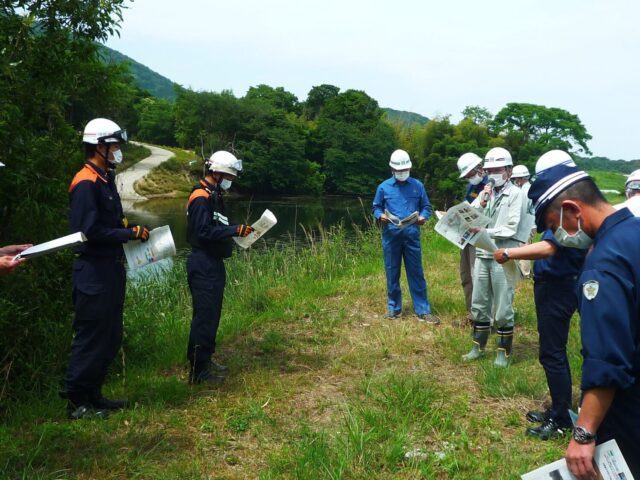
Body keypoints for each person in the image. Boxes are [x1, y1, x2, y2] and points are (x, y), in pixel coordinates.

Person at [528, 162, 640, 478]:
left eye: (554, 224)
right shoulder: (635, 231)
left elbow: (608, 359)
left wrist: (584, 433)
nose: (560, 236)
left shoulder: (603, 264)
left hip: (630, 409)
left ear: (571, 210)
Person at [494, 150, 587, 440]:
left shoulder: (564, 206)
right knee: (552, 352)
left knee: (552, 353)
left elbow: (549, 248)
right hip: (564, 281)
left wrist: (508, 252)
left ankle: (560, 420)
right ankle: (558, 408)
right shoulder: (577, 201)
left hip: (558, 285)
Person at [64, 118, 150, 420]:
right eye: (114, 146)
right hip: (93, 272)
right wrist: (129, 234)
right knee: (91, 336)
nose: (117, 151)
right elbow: (89, 231)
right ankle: (76, 402)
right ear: (99, 146)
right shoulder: (86, 182)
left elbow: (111, 224)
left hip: (111, 269)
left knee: (110, 335)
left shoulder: (104, 178)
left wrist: (131, 231)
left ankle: (94, 394)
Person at [186, 151, 254, 384]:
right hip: (202, 262)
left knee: (212, 314)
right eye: (229, 176)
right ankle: (198, 371)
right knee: (204, 316)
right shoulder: (200, 197)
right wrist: (233, 231)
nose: (231, 180)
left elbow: (218, 226)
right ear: (217, 172)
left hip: (214, 263)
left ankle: (206, 359)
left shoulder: (215, 195)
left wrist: (237, 229)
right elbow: (202, 231)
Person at [463, 147, 529, 367]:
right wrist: (481, 202)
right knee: (479, 303)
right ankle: (478, 347)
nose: (493, 174)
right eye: (490, 169)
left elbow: (511, 228)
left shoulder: (517, 194)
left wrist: (482, 231)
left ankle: (503, 352)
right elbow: (469, 217)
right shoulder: (486, 192)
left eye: (498, 169)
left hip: (504, 255)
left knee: (503, 306)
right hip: (482, 254)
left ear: (509, 170)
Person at [372, 149, 438, 324]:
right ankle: (394, 309)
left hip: (412, 235)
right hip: (391, 236)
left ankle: (423, 310)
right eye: (399, 171)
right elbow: (376, 207)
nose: (402, 173)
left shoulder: (418, 185)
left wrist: (423, 217)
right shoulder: (383, 187)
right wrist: (381, 216)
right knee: (392, 272)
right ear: (392, 170)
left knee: (416, 272)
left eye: (405, 170)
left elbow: (426, 207)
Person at [456, 152, 489, 324]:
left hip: (481, 237)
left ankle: (483, 316)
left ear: (479, 168)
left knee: (479, 276)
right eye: (466, 176)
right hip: (466, 236)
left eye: (470, 174)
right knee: (466, 275)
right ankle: (471, 313)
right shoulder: (471, 187)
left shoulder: (490, 186)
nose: (469, 178)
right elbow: (466, 207)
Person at [510, 164, 535, 277]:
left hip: (526, 223)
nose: (515, 181)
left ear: (520, 179)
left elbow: (522, 210)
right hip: (531, 223)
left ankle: (525, 273)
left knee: (523, 247)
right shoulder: (530, 188)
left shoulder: (523, 192)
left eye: (515, 179)